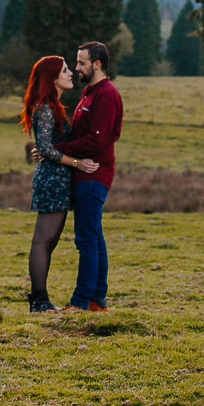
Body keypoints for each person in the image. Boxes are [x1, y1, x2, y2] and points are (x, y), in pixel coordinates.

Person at [52, 41, 121, 312]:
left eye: (81, 63)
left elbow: (95, 141)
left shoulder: (105, 95)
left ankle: (80, 302)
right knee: (94, 236)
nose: (77, 67)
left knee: (86, 238)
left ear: (97, 64)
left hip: (93, 174)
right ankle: (97, 299)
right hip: (85, 173)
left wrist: (56, 150)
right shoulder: (89, 93)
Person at [20, 55, 79, 312]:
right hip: (52, 180)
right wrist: (76, 163)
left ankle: (40, 299)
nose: (70, 74)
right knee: (42, 241)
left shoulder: (52, 106)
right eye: (65, 70)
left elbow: (44, 147)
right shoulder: (45, 107)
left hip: (57, 180)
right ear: (52, 77)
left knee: (49, 241)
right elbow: (44, 147)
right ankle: (39, 300)